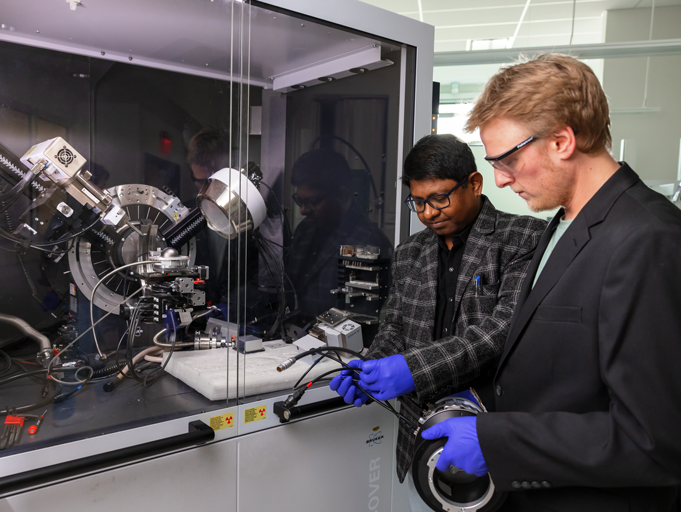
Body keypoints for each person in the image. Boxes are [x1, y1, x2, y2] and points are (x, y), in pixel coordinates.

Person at [422, 54, 681, 511]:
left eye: (509, 160)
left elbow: (651, 440)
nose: (500, 181)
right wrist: (484, 400)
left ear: (562, 140)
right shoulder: (562, 223)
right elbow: (568, 372)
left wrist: (495, 439)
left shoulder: (648, 238)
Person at [330, 134, 546, 509]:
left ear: (474, 184)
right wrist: (370, 366)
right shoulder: (410, 252)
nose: (428, 213)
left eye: (439, 198)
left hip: (491, 432)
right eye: (418, 202)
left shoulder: (523, 238)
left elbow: (501, 331)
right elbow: (395, 327)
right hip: (420, 439)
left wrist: (409, 370)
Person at [285, 148, 392, 318]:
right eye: (300, 201)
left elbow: (356, 319)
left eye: (313, 202)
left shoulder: (367, 243)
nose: (304, 210)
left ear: (342, 195)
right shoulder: (305, 229)